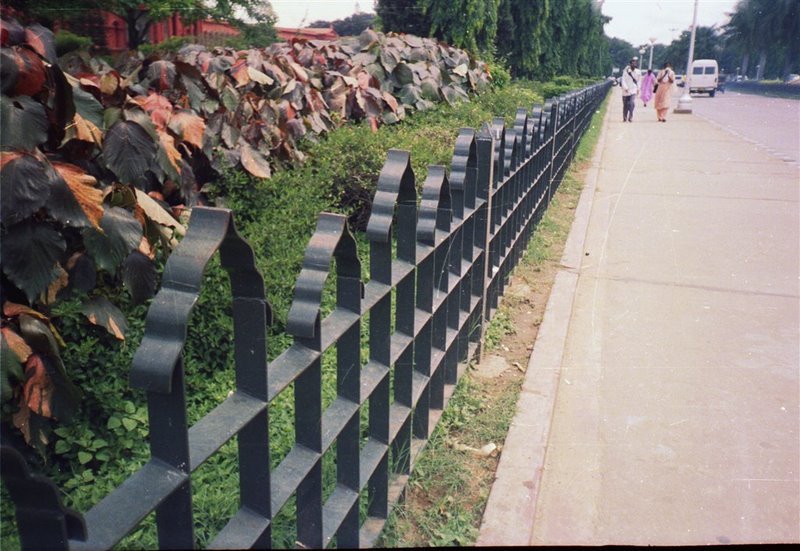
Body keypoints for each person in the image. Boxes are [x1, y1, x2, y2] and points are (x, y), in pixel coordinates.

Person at [620, 57, 641, 122]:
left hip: (633, 89)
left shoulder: (638, 72)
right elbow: (623, 80)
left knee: (632, 103)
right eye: (633, 63)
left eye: (635, 63)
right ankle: (624, 117)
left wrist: (638, 88)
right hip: (625, 90)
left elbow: (639, 80)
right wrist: (625, 88)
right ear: (630, 64)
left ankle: (630, 116)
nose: (634, 64)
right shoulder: (625, 71)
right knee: (625, 105)